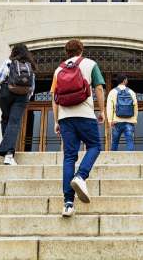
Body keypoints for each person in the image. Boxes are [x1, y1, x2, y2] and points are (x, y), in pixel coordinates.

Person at [51, 39, 105, 217]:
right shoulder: (90, 64)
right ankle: (81, 176)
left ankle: (68, 204)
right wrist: (102, 110)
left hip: (66, 118)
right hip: (85, 115)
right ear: (81, 50)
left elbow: (54, 97)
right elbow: (98, 88)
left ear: (66, 52)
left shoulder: (58, 70)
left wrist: (56, 120)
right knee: (95, 146)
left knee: (69, 157)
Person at [0, 43, 36, 165]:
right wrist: (26, 97)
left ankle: (7, 149)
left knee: (5, 119)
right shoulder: (30, 65)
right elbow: (32, 87)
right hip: (22, 95)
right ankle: (9, 155)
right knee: (14, 122)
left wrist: (6, 88)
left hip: (6, 92)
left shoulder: (8, 62)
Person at [106, 73, 138, 151]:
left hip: (116, 121)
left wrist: (110, 120)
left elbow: (109, 107)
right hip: (129, 121)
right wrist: (134, 119)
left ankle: (113, 161)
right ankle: (131, 161)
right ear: (125, 80)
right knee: (130, 142)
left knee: (115, 142)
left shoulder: (112, 92)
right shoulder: (131, 92)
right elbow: (135, 106)